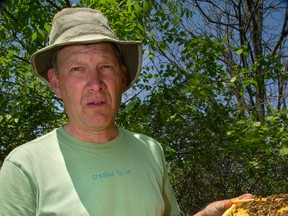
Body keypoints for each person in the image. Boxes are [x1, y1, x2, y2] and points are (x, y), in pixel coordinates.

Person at [0, 7, 252, 216]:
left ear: (121, 77)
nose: (95, 83)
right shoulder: (24, 167)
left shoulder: (150, 150)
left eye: (106, 67)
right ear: (56, 83)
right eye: (77, 69)